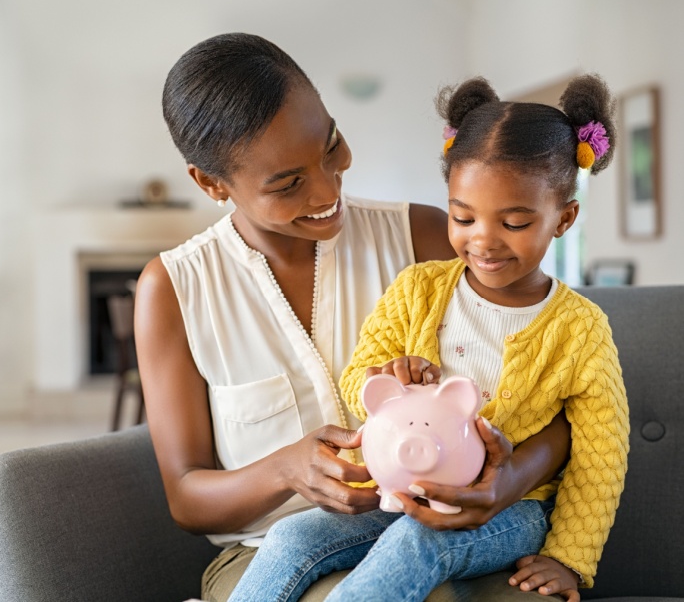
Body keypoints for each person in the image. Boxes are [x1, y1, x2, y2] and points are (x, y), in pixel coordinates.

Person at [135, 32, 573, 602]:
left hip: (441, 529)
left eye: (331, 145)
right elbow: (187, 498)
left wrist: (508, 481)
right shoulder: (174, 288)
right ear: (211, 183)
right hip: (268, 557)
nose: (327, 188)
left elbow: (563, 390)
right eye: (288, 183)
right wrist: (284, 470)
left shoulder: (423, 238)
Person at [227, 74, 630, 602]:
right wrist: (386, 376)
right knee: (294, 535)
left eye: (513, 222)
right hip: (399, 491)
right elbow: (358, 379)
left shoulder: (580, 329)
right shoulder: (418, 289)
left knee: (417, 544)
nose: (482, 240)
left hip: (515, 509)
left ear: (564, 218)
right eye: (463, 217)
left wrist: (568, 560)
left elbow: (602, 456)